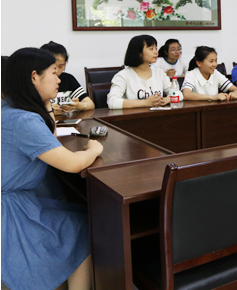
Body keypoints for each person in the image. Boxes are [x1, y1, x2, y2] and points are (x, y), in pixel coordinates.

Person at [1, 48, 103, 290]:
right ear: (34, 77)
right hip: (10, 213)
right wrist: (94, 149)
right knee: (82, 227)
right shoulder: (24, 121)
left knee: (78, 217)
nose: (59, 79)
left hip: (16, 201)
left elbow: (50, 138)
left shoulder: (9, 109)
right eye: (53, 73)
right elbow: (72, 164)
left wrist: (45, 102)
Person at [107, 35, 171, 109]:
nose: (156, 52)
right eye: (151, 49)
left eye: (156, 48)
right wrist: (145, 103)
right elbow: (112, 102)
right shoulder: (123, 76)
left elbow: (178, 94)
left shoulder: (159, 73)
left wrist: (165, 100)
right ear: (139, 53)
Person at [40, 41, 95, 115]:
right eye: (53, 67)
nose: (57, 71)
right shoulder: (37, 82)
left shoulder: (68, 79)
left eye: (61, 66)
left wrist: (77, 105)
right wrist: (47, 110)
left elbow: (90, 104)